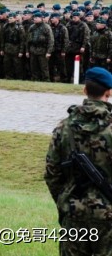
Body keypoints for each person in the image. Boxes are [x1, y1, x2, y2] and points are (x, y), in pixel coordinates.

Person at [45, 67, 112, 255]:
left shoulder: (63, 128)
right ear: (109, 92)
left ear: (85, 90)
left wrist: (66, 200)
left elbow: (52, 174)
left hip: (73, 212)